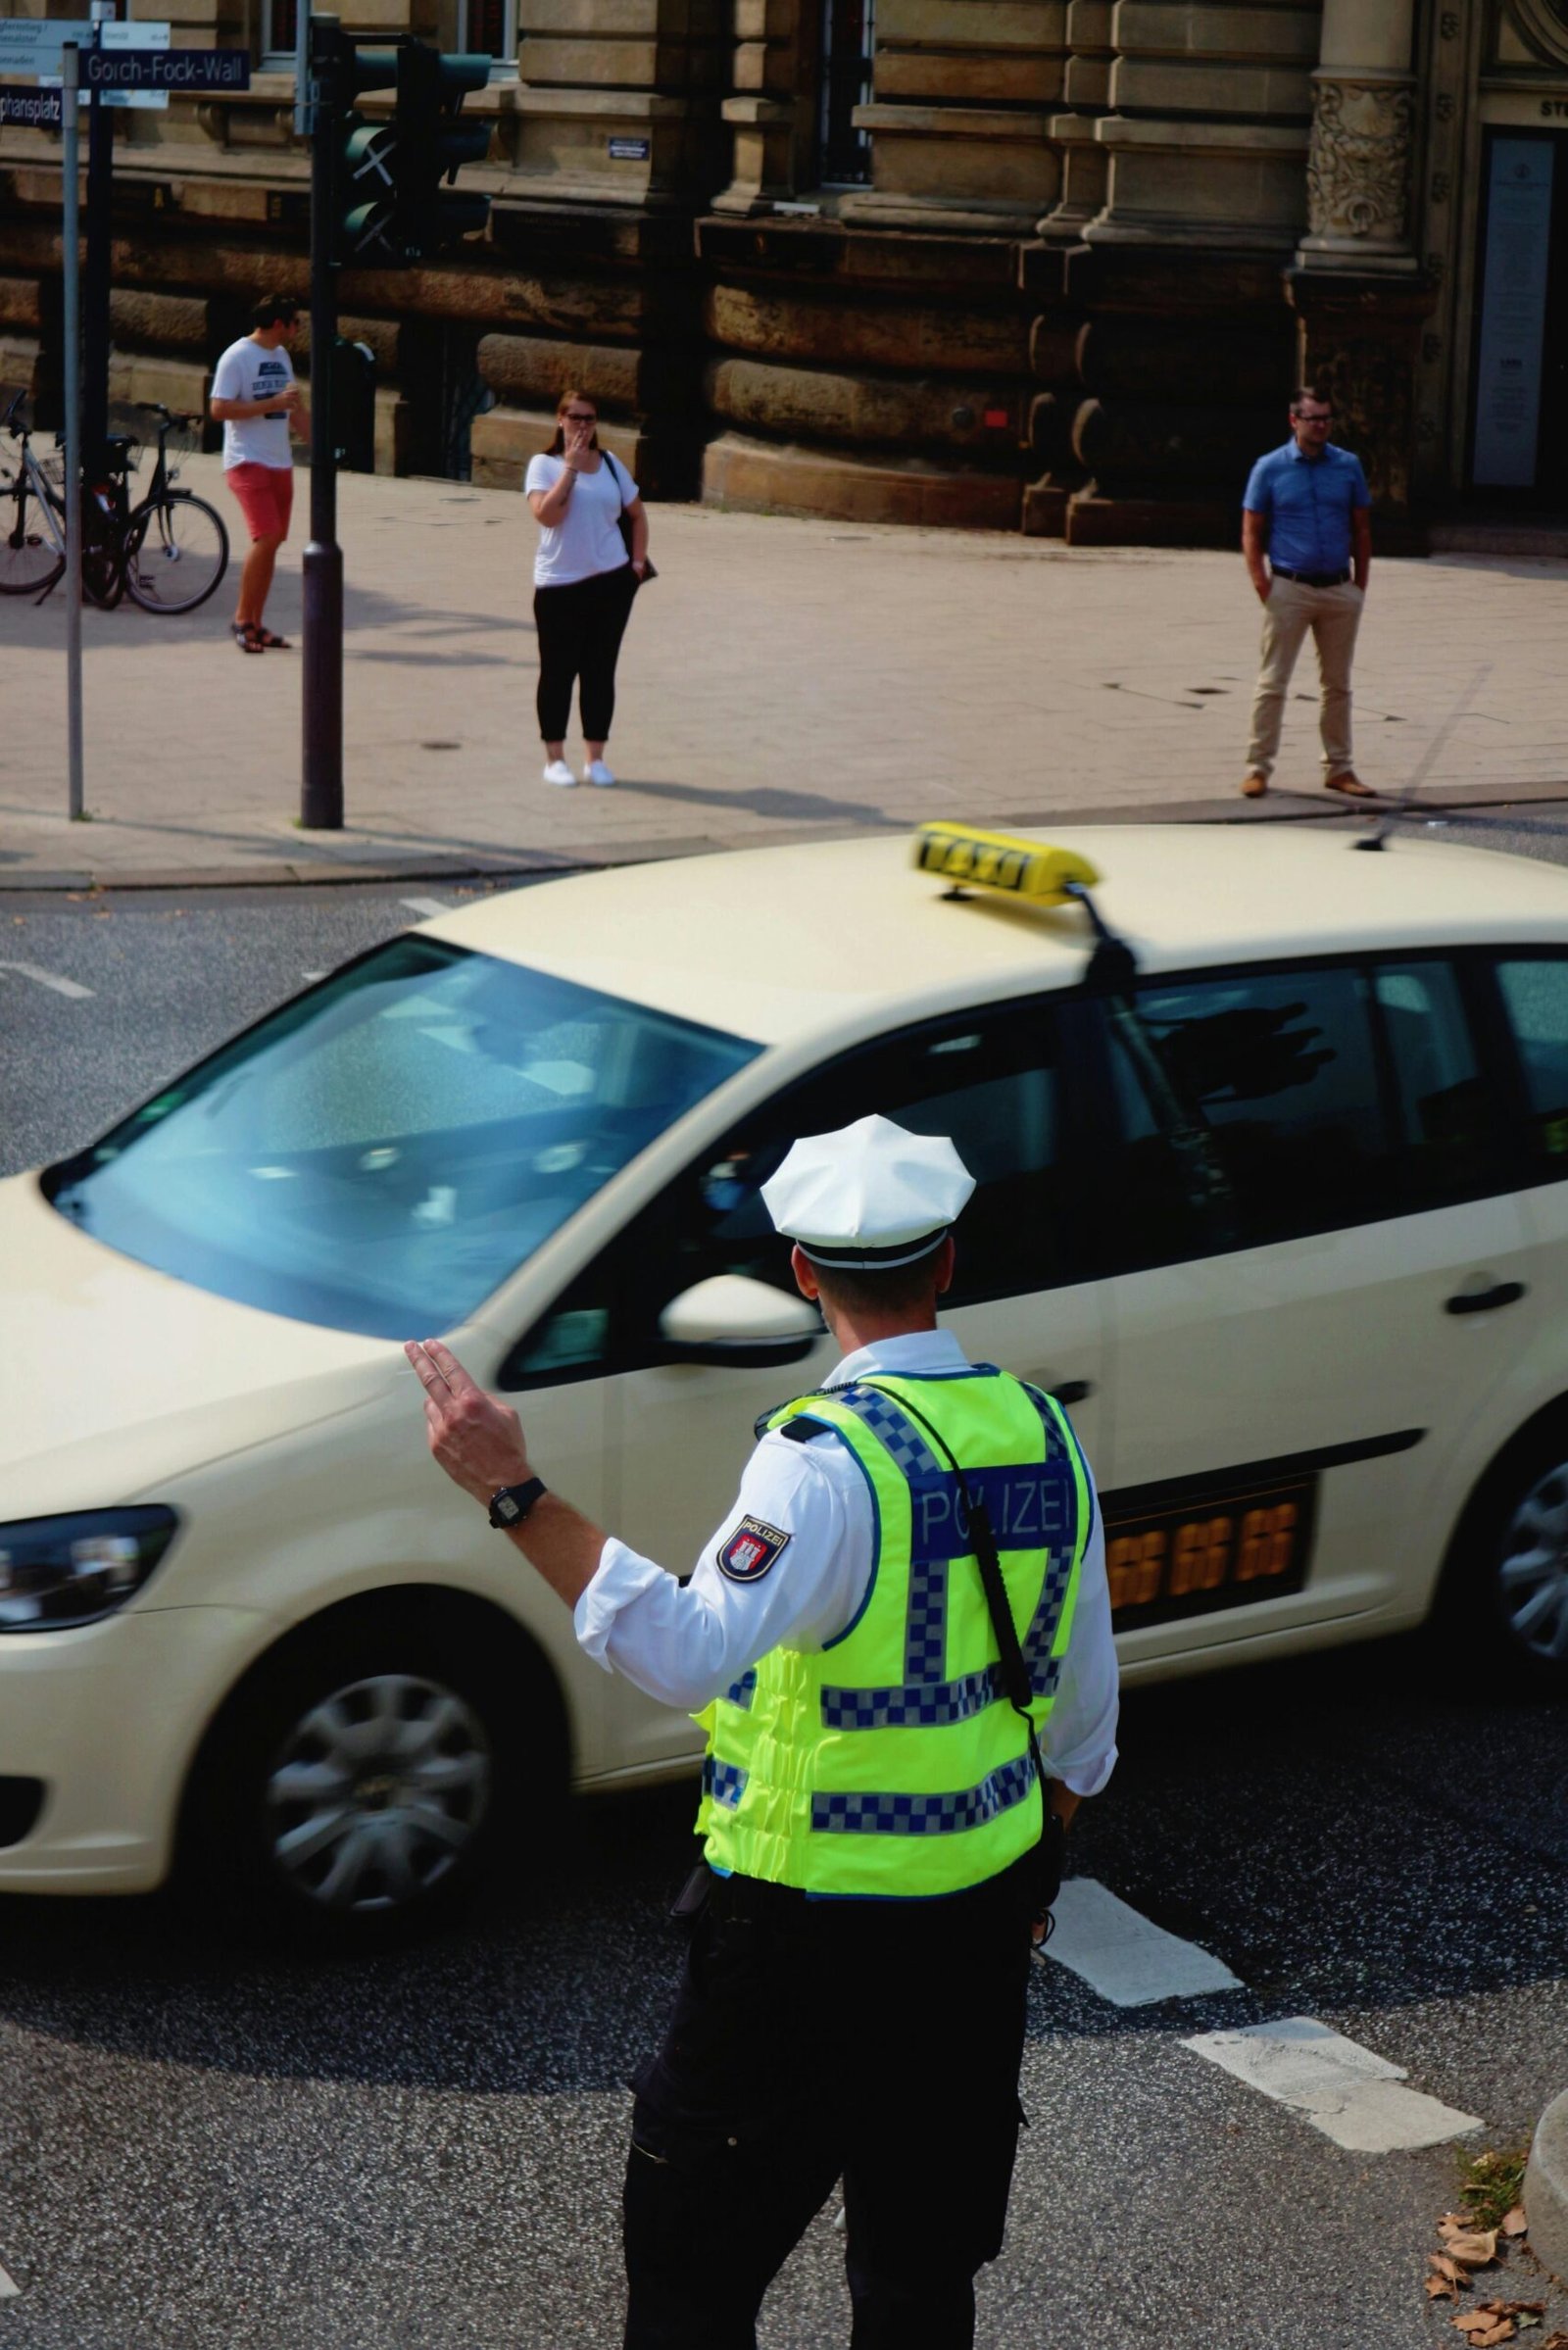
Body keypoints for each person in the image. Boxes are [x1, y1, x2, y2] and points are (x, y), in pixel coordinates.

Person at [408, 1112, 1118, 2350]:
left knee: (691, 2287)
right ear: (949, 1259)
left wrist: (509, 1491)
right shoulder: (1044, 1430)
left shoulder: (822, 1462)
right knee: (916, 2281)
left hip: (796, 1948)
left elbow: (683, 1653)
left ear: (800, 1272)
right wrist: (1027, 1860)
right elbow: (1083, 1710)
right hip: (972, 1938)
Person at [1239, 387, 1376, 801]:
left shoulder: (1348, 466)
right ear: (1293, 420)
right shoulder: (1269, 468)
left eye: (1326, 419)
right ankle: (1258, 767)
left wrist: (1359, 585)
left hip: (1338, 589)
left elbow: (1362, 528)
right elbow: (1251, 530)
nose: (1320, 426)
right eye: (1312, 418)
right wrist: (1263, 584)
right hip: (1289, 586)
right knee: (1272, 682)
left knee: (1337, 685)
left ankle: (1339, 768)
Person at [524, 389, 650, 790]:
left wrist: (636, 564)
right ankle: (554, 758)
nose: (582, 425)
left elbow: (637, 513)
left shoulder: (611, 463)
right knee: (558, 672)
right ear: (560, 419)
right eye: (575, 417)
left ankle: (595, 759)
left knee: (600, 672)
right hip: (560, 584)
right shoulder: (543, 465)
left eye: (589, 419)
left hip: (611, 582)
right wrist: (572, 470)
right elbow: (547, 516)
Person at [209, 294, 306, 656]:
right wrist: (272, 404)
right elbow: (218, 408)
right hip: (246, 460)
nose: (298, 328)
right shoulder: (237, 356)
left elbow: (294, 406)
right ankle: (241, 620)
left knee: (274, 542)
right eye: (295, 321)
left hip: (280, 460)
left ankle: (257, 623)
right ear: (279, 323)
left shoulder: (281, 356)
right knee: (266, 536)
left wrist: (323, 445)